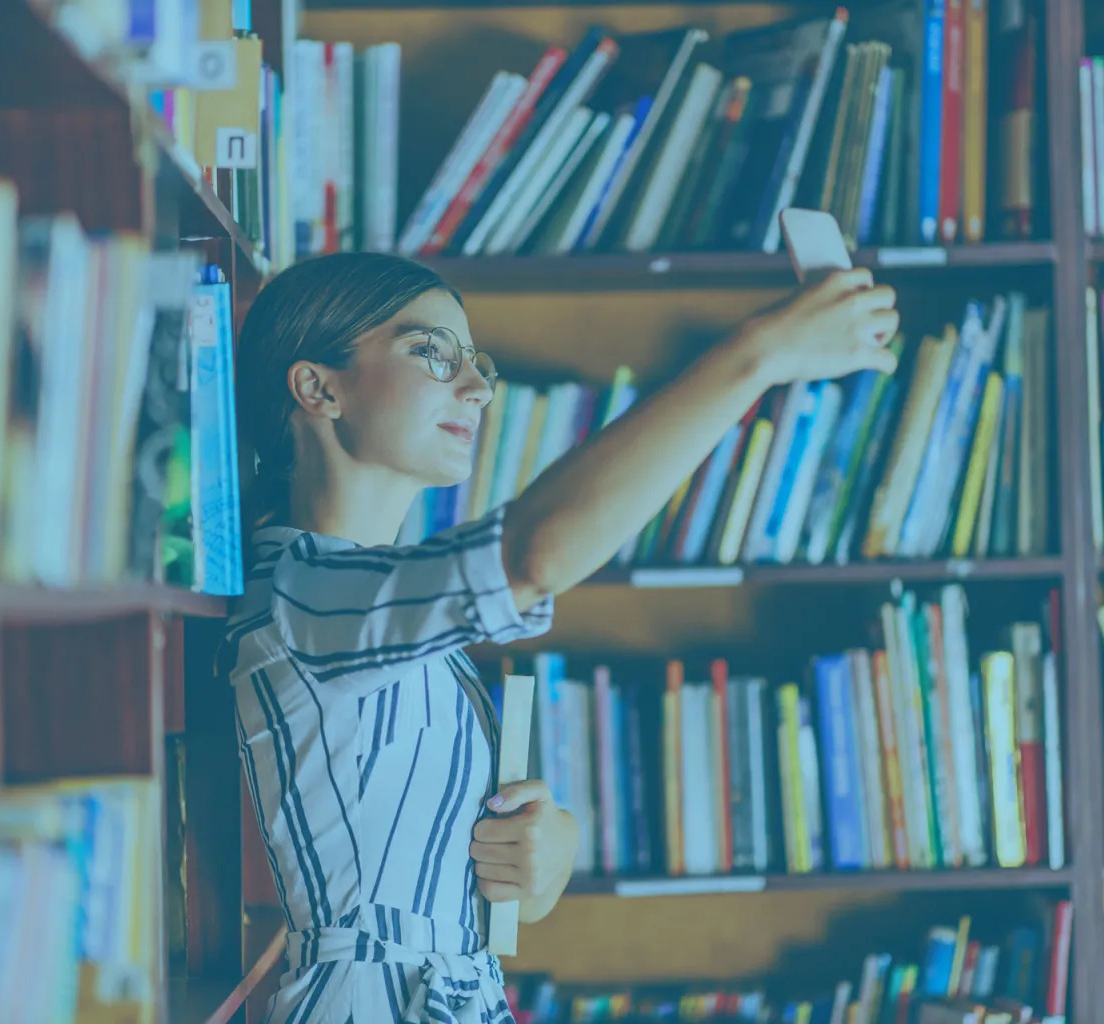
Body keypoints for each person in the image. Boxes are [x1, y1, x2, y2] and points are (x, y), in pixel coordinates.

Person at [220, 250, 899, 1024]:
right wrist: (759, 355)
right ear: (318, 387)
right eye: (430, 353)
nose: (475, 389)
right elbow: (535, 554)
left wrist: (539, 852)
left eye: (477, 364)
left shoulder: (370, 602)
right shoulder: (301, 591)